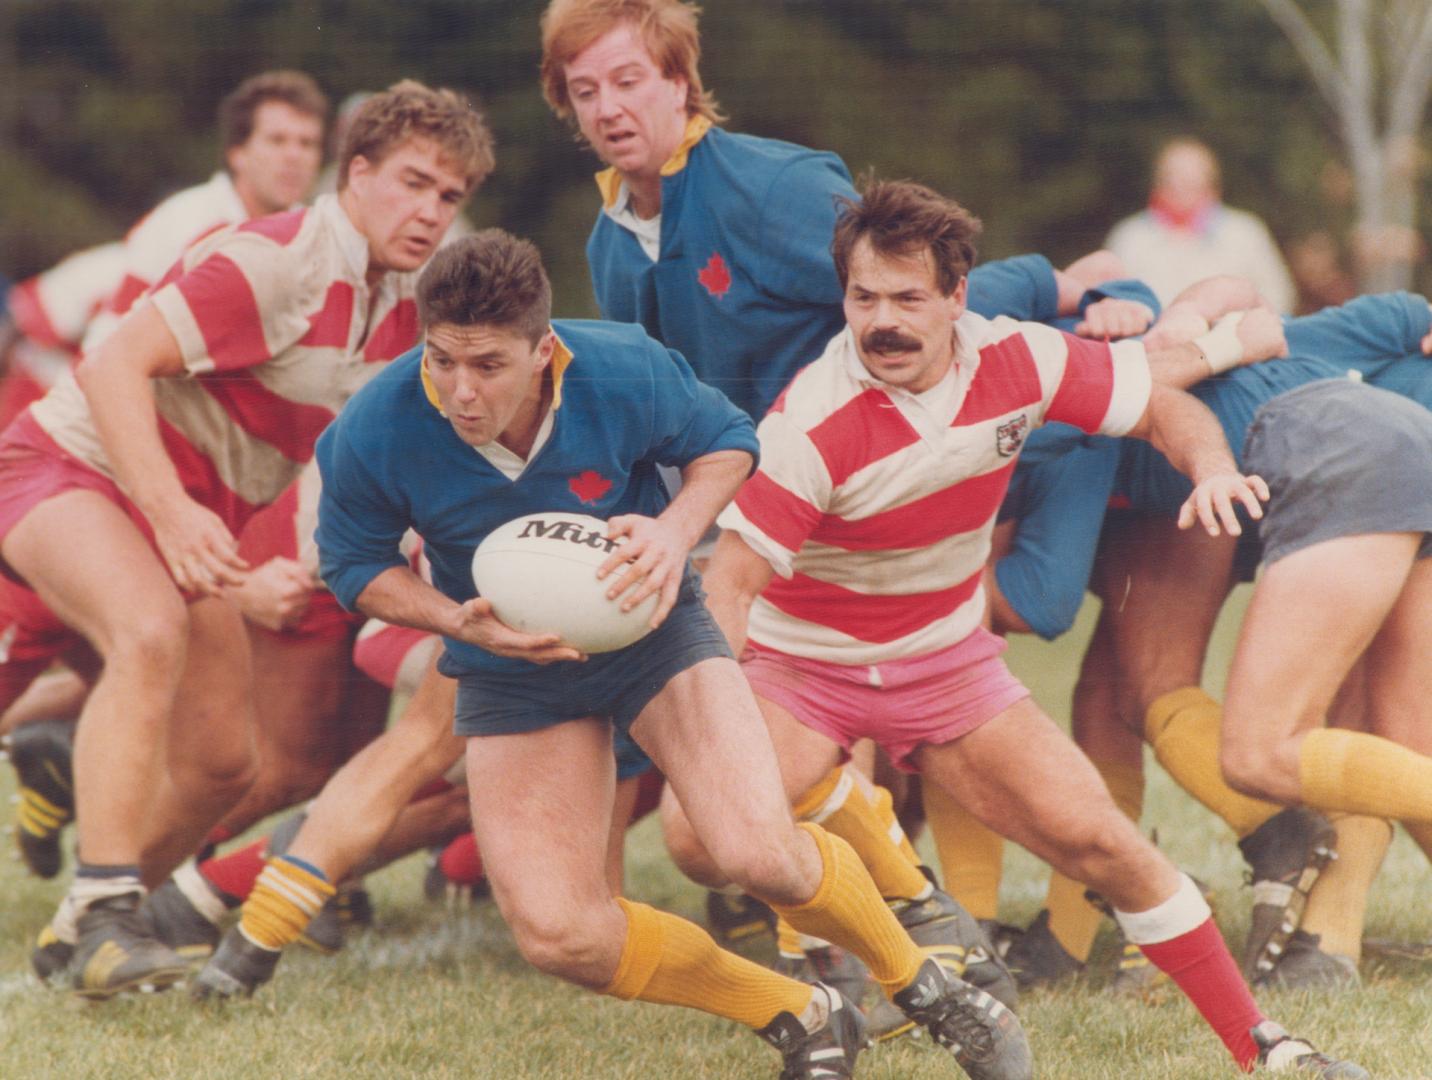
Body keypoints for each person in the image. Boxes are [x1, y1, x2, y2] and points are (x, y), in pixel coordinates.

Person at [199, 229, 1033, 1080]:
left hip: (651, 629)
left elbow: (731, 442)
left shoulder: (617, 363)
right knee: (561, 933)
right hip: (507, 662)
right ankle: (802, 1014)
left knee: (757, 853)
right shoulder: (377, 424)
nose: (460, 390)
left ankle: (929, 987)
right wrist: (455, 622)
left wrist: (675, 534)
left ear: (543, 350)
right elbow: (354, 567)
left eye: (487, 365)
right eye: (442, 359)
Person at [684, 177, 1362, 1078]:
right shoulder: (811, 424)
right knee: (704, 843)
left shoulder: (1020, 359)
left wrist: (1207, 468)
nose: (880, 321)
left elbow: (1162, 406)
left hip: (947, 664)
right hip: (804, 668)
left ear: (958, 297)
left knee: (1106, 846)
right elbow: (728, 592)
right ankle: (886, 877)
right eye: (862, 297)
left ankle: (1268, 1051)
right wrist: (714, 739)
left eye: (907, 298)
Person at [0, 79, 494, 1000]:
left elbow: (390, 468)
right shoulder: (279, 261)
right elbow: (111, 365)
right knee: (146, 631)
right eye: (413, 183)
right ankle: (108, 908)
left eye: (448, 197)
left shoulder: (397, 310)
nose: (430, 212)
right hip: (69, 469)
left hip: (169, 520)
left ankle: (92, 921)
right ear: (356, 175)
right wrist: (176, 513)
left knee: (227, 761)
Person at [1105, 138, 1296, 314]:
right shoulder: (1130, 236)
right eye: (1171, 179)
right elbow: (1110, 301)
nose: (1179, 188)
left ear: (1211, 184)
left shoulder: (1245, 232)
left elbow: (1278, 296)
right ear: (1157, 183)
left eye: (1190, 181)